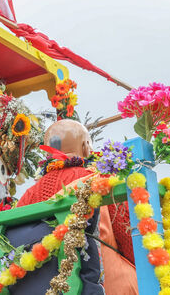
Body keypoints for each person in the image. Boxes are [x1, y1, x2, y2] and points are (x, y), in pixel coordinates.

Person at [9, 119, 111, 295]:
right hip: (86, 276)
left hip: (39, 278)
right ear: (86, 147)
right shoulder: (95, 179)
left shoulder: (30, 192)